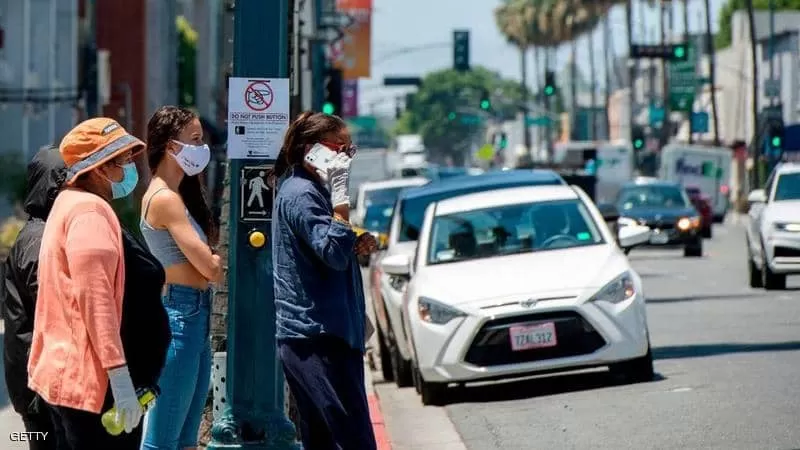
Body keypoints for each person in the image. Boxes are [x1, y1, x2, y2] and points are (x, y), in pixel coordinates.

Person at [27, 118, 147, 448]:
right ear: (97, 169)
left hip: (61, 374)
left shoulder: (66, 204)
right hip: (87, 383)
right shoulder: (91, 212)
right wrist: (119, 374)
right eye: (121, 161)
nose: (130, 168)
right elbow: (97, 301)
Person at [271, 111, 378, 449]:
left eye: (350, 150)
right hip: (317, 337)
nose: (346, 157)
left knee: (322, 439)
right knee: (352, 439)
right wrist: (342, 202)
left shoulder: (309, 190)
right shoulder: (302, 193)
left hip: (319, 335)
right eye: (340, 148)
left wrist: (354, 238)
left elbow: (325, 248)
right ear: (311, 150)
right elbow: (331, 251)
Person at [139, 105, 220, 450]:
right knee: (163, 438)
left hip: (195, 313)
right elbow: (211, 268)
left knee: (187, 437)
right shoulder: (164, 199)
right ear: (172, 147)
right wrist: (215, 259)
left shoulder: (177, 197)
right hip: (180, 317)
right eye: (195, 140)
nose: (203, 149)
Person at [0, 146, 65, 450]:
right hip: (41, 387)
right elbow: (54, 305)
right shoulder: (40, 240)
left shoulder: (37, 232)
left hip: (35, 383)